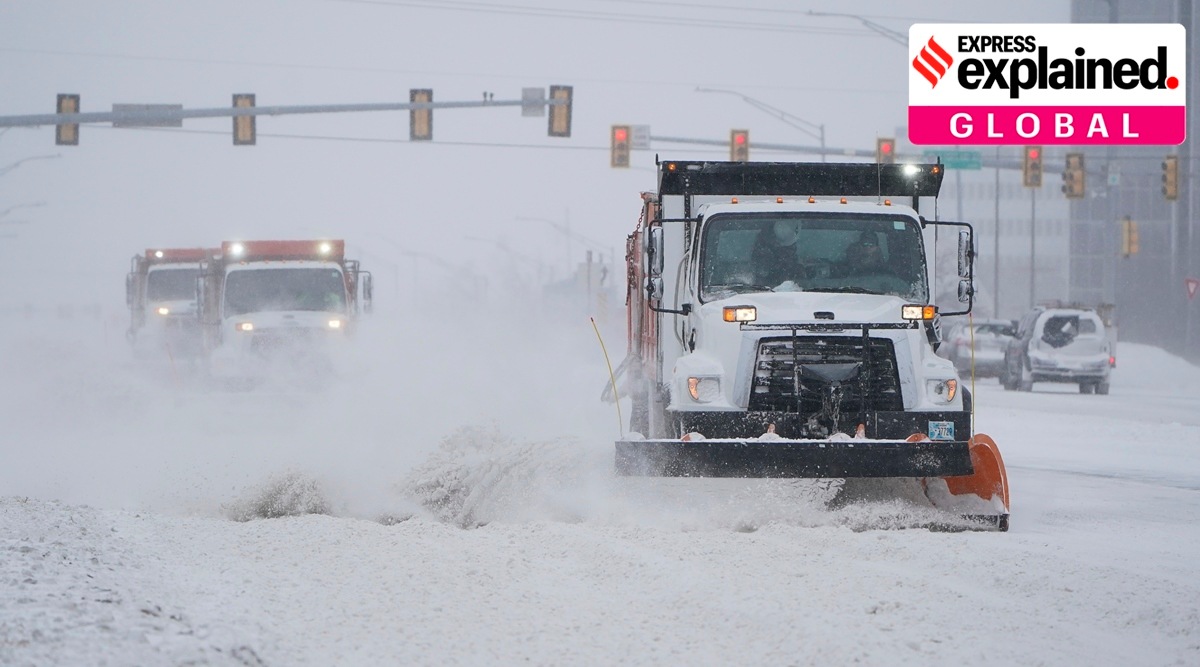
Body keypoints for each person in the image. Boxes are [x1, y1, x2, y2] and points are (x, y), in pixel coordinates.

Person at [750, 220, 805, 286]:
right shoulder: (763, 264)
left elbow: (800, 285)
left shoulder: (795, 269)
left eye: (791, 248)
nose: (788, 252)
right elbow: (759, 279)